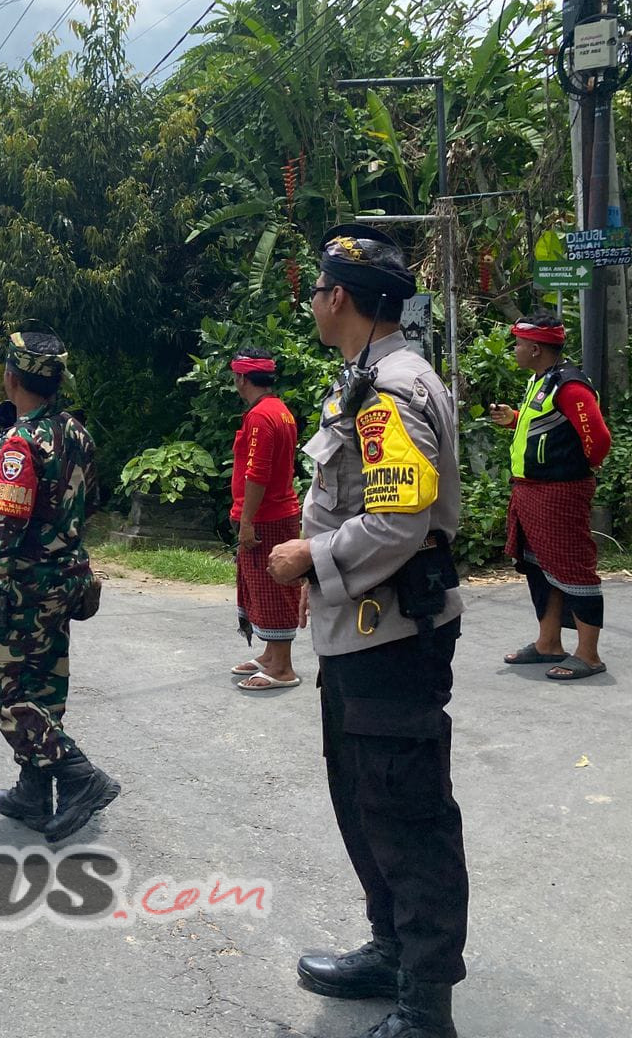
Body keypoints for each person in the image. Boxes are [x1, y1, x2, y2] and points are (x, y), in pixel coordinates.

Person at [267, 228, 465, 1038]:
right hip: (361, 635)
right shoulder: (364, 380)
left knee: (406, 812)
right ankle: (390, 948)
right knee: (363, 799)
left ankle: (427, 1002)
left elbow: (400, 520)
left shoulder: (392, 390)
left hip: (394, 637)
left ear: (339, 297)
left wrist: (312, 554)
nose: (313, 302)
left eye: (316, 289)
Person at [0, 325, 115, 843]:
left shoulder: (21, 443)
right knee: (43, 685)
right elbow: (95, 500)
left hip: (26, 586)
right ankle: (32, 791)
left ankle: (79, 775)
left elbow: (4, 530)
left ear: (11, 378)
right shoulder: (76, 432)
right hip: (67, 578)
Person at [493, 315, 613, 681]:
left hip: (559, 491)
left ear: (535, 348)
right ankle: (548, 643)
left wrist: (573, 469)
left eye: (517, 344)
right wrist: (514, 419)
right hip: (531, 491)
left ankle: (588, 654)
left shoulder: (571, 386)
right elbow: (547, 426)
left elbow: (599, 441)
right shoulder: (541, 380)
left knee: (572, 567)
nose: (514, 350)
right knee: (539, 566)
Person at [225, 349, 304, 691]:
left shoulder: (261, 417)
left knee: (273, 587)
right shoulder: (280, 411)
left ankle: (283, 667)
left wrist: (246, 521)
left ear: (242, 378)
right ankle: (272, 655)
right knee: (263, 585)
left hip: (267, 517)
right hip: (275, 513)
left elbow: (257, 473)